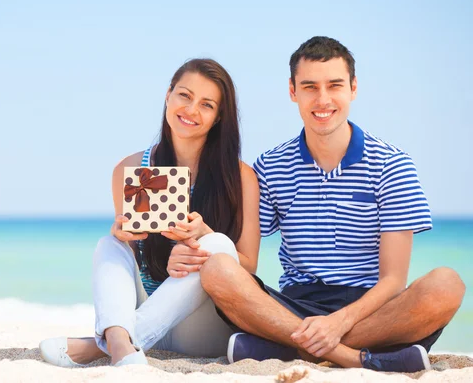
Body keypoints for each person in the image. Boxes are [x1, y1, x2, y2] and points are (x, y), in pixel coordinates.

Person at [199, 36, 466, 373]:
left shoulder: (392, 164)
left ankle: (290, 347)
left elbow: (394, 280)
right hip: (295, 304)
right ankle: (354, 357)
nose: (322, 99)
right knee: (218, 270)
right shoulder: (269, 166)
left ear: (353, 88)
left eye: (334, 85)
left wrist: (339, 323)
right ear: (292, 91)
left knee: (447, 284)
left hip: (371, 308)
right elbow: (244, 261)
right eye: (309, 87)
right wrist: (199, 238)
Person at [39, 58, 261, 367]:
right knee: (109, 244)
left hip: (203, 328)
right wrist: (126, 237)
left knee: (219, 245)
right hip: (149, 307)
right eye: (184, 95)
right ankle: (120, 344)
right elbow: (132, 265)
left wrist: (204, 239)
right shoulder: (129, 169)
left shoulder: (240, 177)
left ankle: (107, 343)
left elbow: (247, 270)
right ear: (168, 95)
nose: (191, 110)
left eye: (206, 104)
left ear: (218, 116)